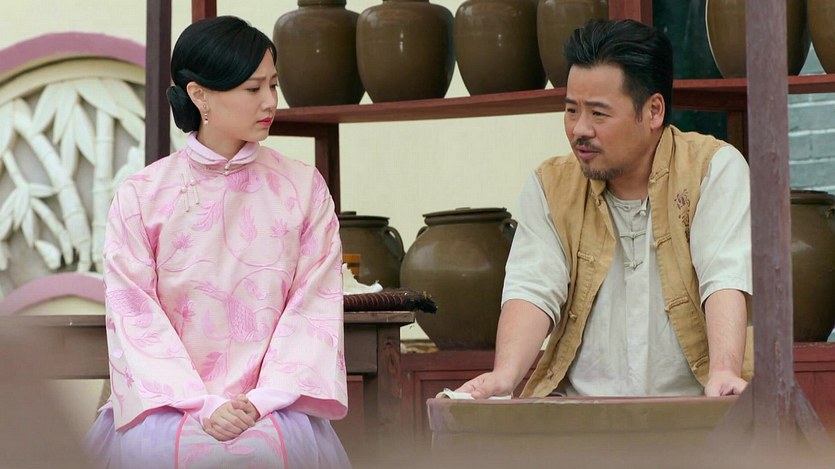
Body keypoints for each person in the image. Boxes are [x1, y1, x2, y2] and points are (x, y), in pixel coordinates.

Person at [85, 16, 351, 468]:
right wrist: (202, 404)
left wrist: (262, 401)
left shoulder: (303, 188)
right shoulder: (142, 196)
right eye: (252, 88)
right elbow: (134, 313)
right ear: (199, 94)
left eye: (274, 85)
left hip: (275, 406)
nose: (270, 101)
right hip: (167, 407)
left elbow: (314, 304)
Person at [458, 19, 752, 400]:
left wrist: (724, 371)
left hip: (695, 410)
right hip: (581, 416)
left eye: (598, 114)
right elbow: (532, 286)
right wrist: (505, 375)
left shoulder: (713, 169)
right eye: (571, 110)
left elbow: (724, 275)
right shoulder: (550, 185)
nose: (580, 129)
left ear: (653, 111)